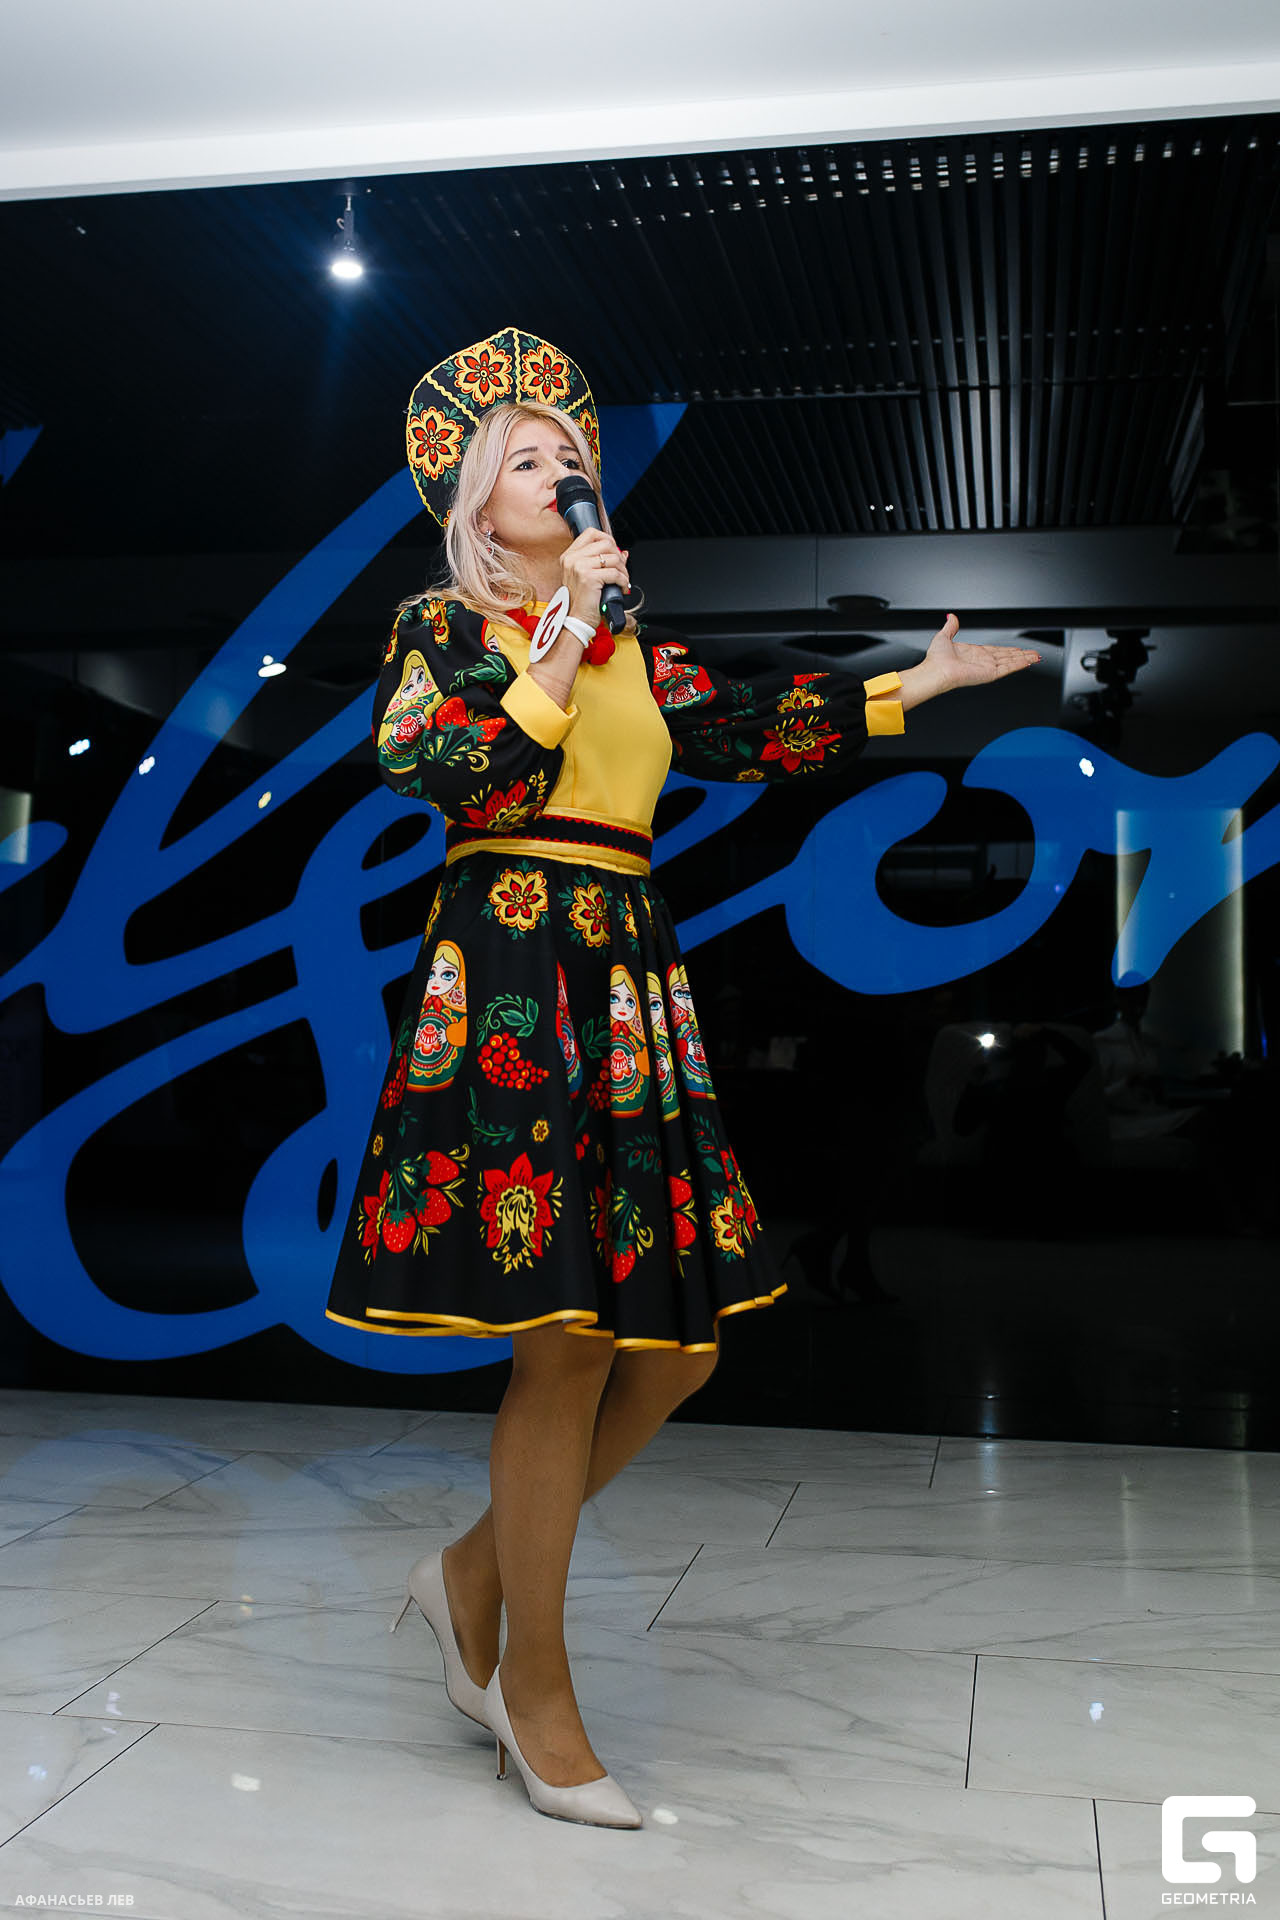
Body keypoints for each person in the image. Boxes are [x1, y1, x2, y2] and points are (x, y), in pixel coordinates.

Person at [325, 326, 1039, 1828]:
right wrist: (560, 637)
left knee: (678, 1347)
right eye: (527, 458)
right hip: (513, 956)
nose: (560, 472)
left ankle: (469, 1574)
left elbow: (743, 727)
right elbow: (438, 768)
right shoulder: (444, 624)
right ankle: (535, 1691)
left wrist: (918, 685)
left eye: (570, 456)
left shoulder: (632, 642)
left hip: (629, 968)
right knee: (565, 1343)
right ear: (473, 498)